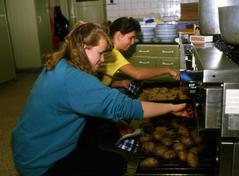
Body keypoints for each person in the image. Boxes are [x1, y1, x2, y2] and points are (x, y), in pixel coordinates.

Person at [11, 21, 193, 176]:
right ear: (83, 48)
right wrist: (171, 107)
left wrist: (116, 121)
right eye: (100, 53)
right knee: (115, 164)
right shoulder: (75, 79)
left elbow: (93, 100)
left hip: (28, 146)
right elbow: (127, 107)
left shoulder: (60, 63)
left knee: (92, 141)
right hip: (40, 162)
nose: (102, 59)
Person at [98, 17, 180, 89]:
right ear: (119, 35)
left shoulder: (106, 49)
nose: (133, 42)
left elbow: (100, 79)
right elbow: (138, 74)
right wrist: (167, 69)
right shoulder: (113, 54)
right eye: (131, 38)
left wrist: (120, 83)